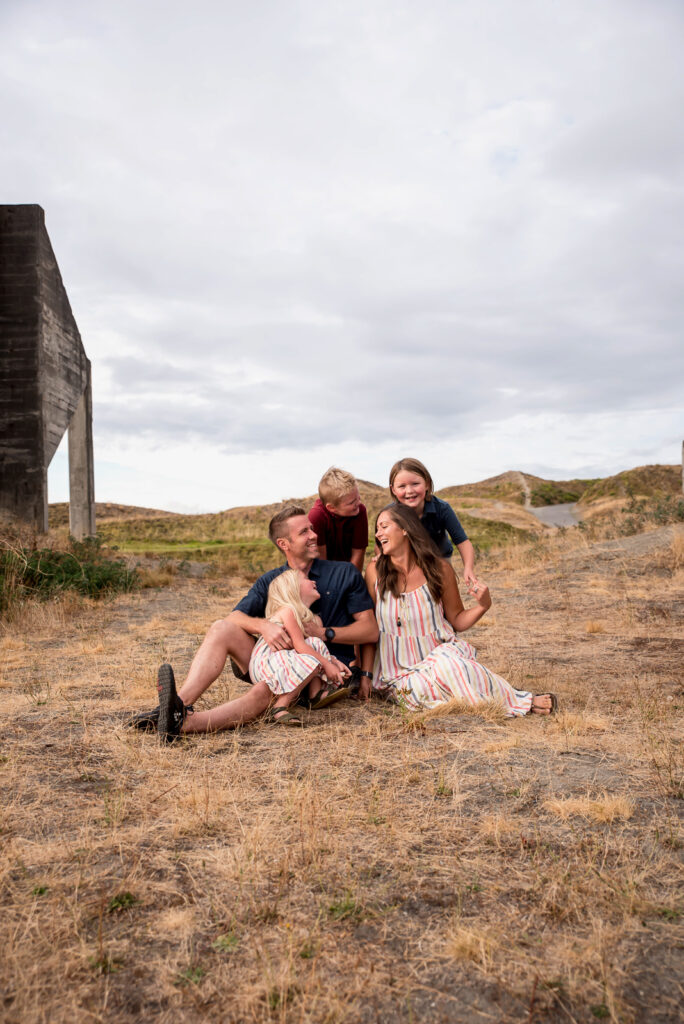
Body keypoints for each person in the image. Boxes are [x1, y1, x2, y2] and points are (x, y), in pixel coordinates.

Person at [125, 504, 378, 742]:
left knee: (264, 690)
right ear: (284, 543)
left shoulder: (344, 572)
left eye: (311, 528)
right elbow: (234, 617)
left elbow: (370, 631)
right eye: (304, 532)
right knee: (220, 628)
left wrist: (324, 632)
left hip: (322, 675)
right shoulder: (271, 580)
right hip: (281, 663)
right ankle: (177, 705)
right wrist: (263, 627)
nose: (313, 535)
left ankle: (185, 723)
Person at [359, 504, 557, 717]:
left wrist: (483, 606)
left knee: (450, 667)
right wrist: (366, 676)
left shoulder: (439, 569)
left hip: (440, 652)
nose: (378, 534)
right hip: (398, 671)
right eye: (377, 529)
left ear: (405, 528)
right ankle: (495, 695)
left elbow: (457, 620)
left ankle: (521, 701)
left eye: (384, 526)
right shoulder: (374, 571)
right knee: (424, 691)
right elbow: (371, 628)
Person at [249, 569, 351, 726]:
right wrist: (327, 664)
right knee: (313, 657)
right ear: (293, 589)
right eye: (306, 579)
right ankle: (279, 706)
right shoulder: (287, 611)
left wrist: (332, 660)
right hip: (268, 663)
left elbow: (311, 648)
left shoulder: (312, 620)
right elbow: (300, 646)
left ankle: (315, 694)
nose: (314, 581)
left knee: (316, 644)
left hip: (282, 662)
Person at [389, 457, 477, 585]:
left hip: (440, 560)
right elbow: (381, 545)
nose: (409, 491)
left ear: (427, 484)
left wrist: (468, 568)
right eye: (402, 486)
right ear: (393, 490)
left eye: (415, 484)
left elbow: (463, 542)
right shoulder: (390, 514)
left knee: (445, 598)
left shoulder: (442, 508)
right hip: (407, 564)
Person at [308, 466, 368, 572]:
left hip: (349, 567)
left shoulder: (360, 510)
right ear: (331, 508)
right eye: (351, 502)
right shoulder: (317, 516)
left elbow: (358, 552)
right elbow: (321, 559)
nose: (358, 503)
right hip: (324, 571)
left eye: (358, 498)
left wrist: (352, 581)